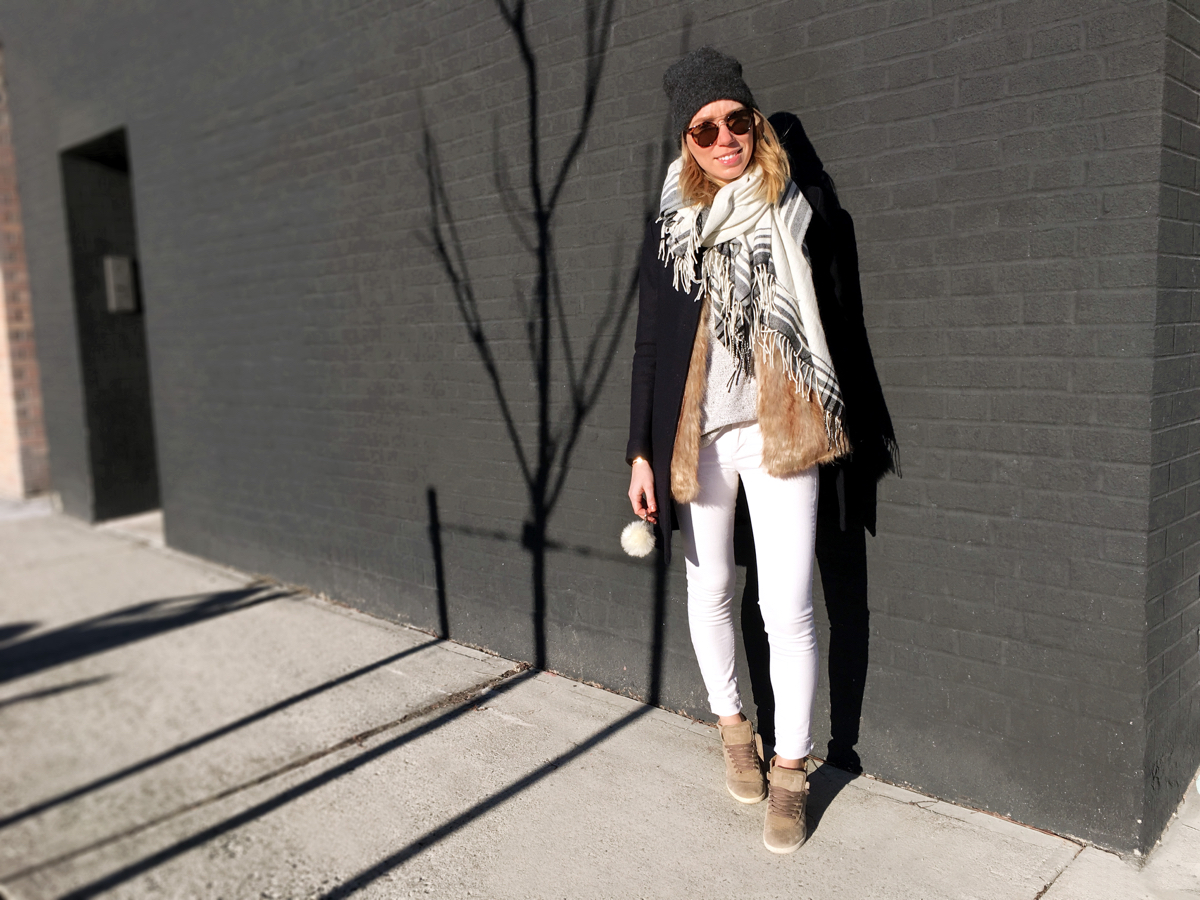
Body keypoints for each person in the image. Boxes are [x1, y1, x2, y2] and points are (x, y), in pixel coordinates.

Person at [626, 46, 855, 854]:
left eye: (736, 120)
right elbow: (650, 342)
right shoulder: (670, 228)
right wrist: (639, 453)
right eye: (705, 128)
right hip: (697, 439)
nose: (725, 137)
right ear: (685, 142)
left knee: (788, 605)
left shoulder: (800, 206)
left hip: (782, 431)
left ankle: (790, 772)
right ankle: (733, 728)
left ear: (754, 123)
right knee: (712, 586)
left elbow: (838, 325)